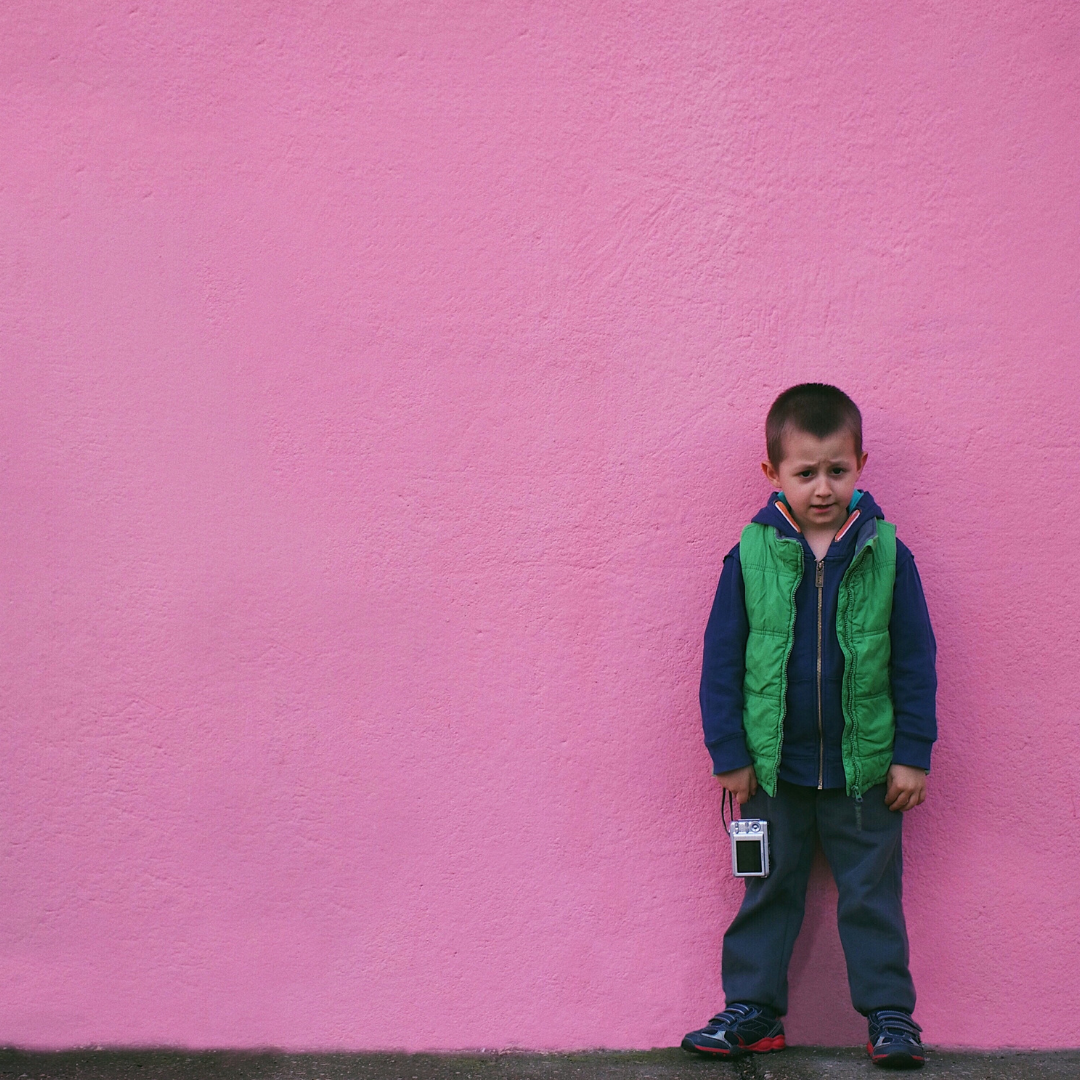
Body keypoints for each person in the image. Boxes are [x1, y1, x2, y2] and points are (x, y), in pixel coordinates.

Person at [682, 384, 936, 1070]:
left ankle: (889, 1017)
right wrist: (728, 751)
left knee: (871, 896)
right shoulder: (751, 556)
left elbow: (915, 659)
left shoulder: (887, 554)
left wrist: (912, 754)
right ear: (773, 475)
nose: (822, 487)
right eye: (804, 472)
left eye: (836, 470)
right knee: (767, 889)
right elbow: (721, 659)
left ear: (859, 464)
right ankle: (753, 1013)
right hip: (772, 768)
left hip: (866, 771)